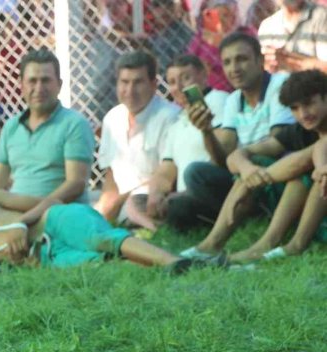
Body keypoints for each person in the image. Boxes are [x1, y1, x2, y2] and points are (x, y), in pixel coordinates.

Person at [0, 169, 207, 273]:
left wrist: (23, 223)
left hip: (54, 221)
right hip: (46, 256)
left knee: (103, 240)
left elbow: (52, 201)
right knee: (99, 262)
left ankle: (174, 263)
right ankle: (197, 263)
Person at [180, 69, 327, 262]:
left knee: (305, 176)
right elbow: (236, 157)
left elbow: (307, 157)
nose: (303, 114)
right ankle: (212, 244)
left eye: (309, 104)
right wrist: (247, 170)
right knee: (253, 164)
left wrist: (250, 181)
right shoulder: (299, 130)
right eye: (295, 108)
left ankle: (279, 245)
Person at [166, 32, 295, 231]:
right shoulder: (234, 99)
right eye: (227, 62)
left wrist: (241, 159)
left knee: (253, 163)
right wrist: (206, 131)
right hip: (243, 175)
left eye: (241, 59)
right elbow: (222, 159)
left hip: (274, 173)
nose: (234, 69)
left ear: (260, 60)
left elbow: (279, 143)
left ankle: (244, 217)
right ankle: (242, 215)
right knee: (192, 180)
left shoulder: (280, 85)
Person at [0, 49, 94, 217]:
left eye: (46, 80)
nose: (39, 88)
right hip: (16, 215)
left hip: (61, 215)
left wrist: (34, 214)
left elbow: (76, 184)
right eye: (32, 81)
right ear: (22, 85)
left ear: (59, 85)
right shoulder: (11, 127)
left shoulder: (74, 124)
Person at [132, 54, 230, 231]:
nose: (179, 87)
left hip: (211, 187)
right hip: (185, 196)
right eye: (172, 81)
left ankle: (164, 222)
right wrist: (156, 194)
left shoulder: (220, 100)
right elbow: (166, 169)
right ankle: (157, 223)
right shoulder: (177, 122)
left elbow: (224, 154)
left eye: (186, 78)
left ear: (203, 75)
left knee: (184, 195)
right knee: (135, 201)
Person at [95, 50, 179, 224]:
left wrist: (119, 204)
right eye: (124, 82)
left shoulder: (171, 117)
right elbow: (111, 177)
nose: (130, 90)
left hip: (154, 202)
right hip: (122, 206)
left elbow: (171, 177)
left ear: (154, 84)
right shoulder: (112, 118)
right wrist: (103, 211)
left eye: (138, 82)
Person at [187, 0, 255, 92]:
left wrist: (220, 44)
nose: (221, 20)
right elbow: (189, 62)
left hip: (235, 89)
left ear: (234, 15)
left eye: (226, 15)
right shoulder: (201, 38)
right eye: (216, 16)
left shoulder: (245, 34)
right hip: (203, 89)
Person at [258, 0, 327, 73]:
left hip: (313, 82)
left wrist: (288, 61)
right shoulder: (267, 25)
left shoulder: (322, 17)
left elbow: (325, 67)